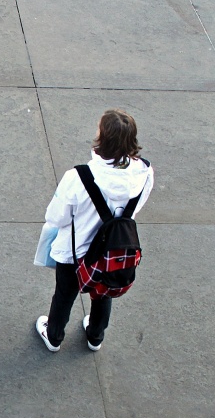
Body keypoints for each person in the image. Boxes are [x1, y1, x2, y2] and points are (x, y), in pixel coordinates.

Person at [35, 108, 153, 353]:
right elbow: (136, 207)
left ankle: (54, 336)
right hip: (114, 250)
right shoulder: (145, 173)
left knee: (64, 295)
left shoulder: (79, 177)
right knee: (103, 292)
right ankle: (95, 336)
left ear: (103, 139)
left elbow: (55, 217)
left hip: (75, 253)